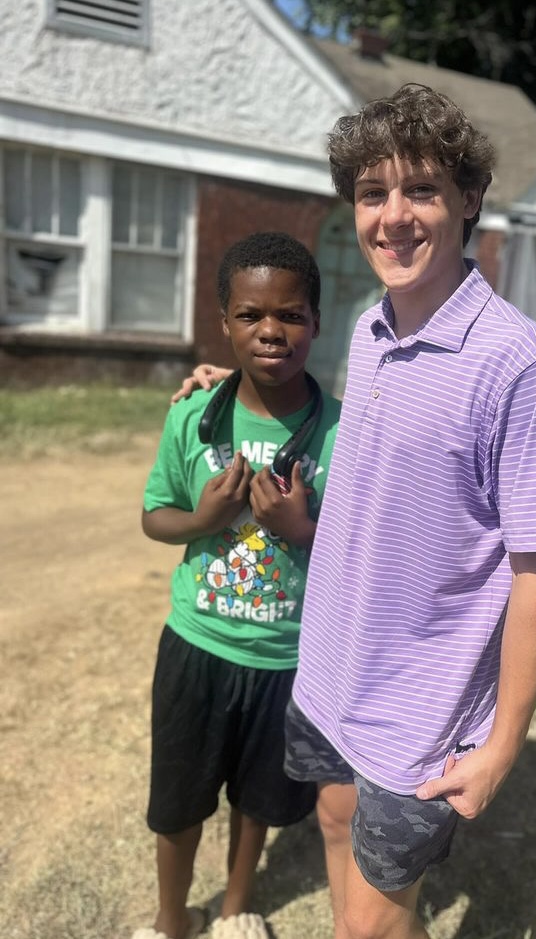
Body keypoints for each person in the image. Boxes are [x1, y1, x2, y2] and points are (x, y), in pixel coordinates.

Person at [177, 83, 536, 939]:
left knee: (371, 923)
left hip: (423, 709)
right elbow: (362, 445)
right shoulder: (368, 327)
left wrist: (503, 743)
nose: (393, 217)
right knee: (330, 822)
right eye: (371, 193)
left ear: (470, 199)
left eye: (422, 189)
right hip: (331, 667)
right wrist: (235, 385)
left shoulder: (522, 363)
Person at [136, 232, 341, 939]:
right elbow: (153, 516)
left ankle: (234, 907)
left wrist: (302, 527)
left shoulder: (342, 433)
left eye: (290, 314)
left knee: (258, 800)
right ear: (223, 322)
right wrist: (204, 516)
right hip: (197, 644)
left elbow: (368, 553)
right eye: (250, 315)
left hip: (286, 659)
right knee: (178, 797)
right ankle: (170, 917)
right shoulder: (192, 414)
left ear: (316, 321)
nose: (271, 331)